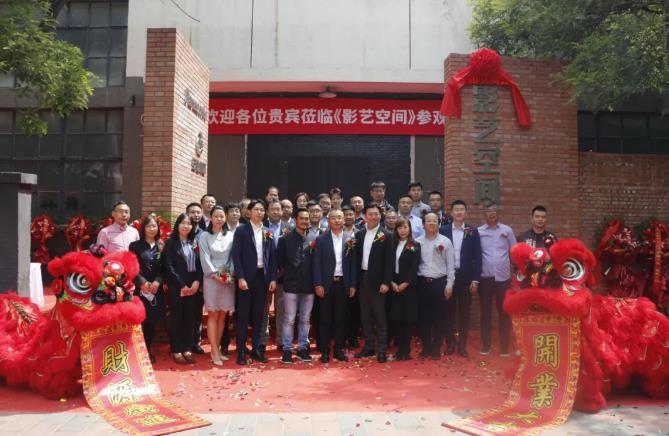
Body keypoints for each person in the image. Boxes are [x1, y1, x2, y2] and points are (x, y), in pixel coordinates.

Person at [231, 199, 277, 365]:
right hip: (246, 278)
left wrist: (273, 278)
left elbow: (273, 258)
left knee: (259, 316)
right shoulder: (241, 231)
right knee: (243, 316)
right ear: (249, 212)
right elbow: (236, 256)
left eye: (262, 210)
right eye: (256, 209)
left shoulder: (268, 232)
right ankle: (241, 351)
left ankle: (257, 349)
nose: (260, 212)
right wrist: (240, 277)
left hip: (262, 278)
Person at [313, 209, 357, 363]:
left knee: (341, 318)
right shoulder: (321, 239)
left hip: (343, 283)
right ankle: (325, 350)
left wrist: (352, 284)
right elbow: (316, 263)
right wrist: (318, 283)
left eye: (340, 218)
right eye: (334, 218)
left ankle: (339, 349)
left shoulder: (350, 239)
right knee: (325, 318)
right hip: (326, 284)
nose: (337, 220)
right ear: (328, 220)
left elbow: (353, 264)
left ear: (344, 220)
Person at [439, 200, 481, 357]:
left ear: (466, 213)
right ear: (451, 213)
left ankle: (462, 345)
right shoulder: (443, 230)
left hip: (465, 279)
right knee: (448, 313)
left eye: (462, 209)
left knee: (464, 313)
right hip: (448, 278)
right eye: (456, 209)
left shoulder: (471, 231)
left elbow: (478, 256)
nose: (459, 212)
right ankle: (450, 343)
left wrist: (476, 279)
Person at [354, 203, 394, 363]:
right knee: (365, 316)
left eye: (376, 214)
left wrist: (386, 282)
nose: (373, 217)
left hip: (379, 281)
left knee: (380, 316)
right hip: (362, 278)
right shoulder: (359, 234)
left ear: (380, 215)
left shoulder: (387, 235)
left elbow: (390, 262)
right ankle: (369, 346)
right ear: (365, 216)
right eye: (370, 214)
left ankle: (382, 349)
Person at [163, 213, 203, 365]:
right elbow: (169, 266)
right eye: (183, 223)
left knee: (190, 317)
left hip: (193, 285)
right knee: (177, 317)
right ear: (178, 225)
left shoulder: (195, 242)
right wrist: (182, 285)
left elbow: (201, 264)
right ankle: (176, 348)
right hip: (177, 285)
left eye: (189, 223)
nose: (186, 226)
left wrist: (197, 282)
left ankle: (187, 348)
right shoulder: (171, 243)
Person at [478, 201, 516, 357]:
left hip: (503, 278)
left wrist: (516, 276)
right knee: (485, 312)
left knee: (504, 312)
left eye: (494, 210)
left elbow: (514, 252)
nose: (491, 213)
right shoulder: (479, 232)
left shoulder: (507, 231)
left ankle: (504, 346)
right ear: (484, 214)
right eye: (488, 211)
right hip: (485, 277)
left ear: (498, 212)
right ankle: (486, 345)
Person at [198, 206, 235, 366]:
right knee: (213, 314)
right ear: (211, 218)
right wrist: (216, 275)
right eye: (216, 216)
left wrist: (229, 274)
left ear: (225, 218)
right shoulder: (204, 236)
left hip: (227, 279)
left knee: (222, 314)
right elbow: (204, 257)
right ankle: (213, 351)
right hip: (211, 279)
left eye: (221, 216)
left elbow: (233, 257)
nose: (219, 219)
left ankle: (218, 349)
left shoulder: (231, 235)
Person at [416, 212, 455, 360]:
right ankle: (426, 346)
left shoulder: (445, 241)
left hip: (439, 283)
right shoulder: (417, 242)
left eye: (435, 221)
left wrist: (449, 285)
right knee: (423, 318)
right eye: (429, 221)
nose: (432, 223)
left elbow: (450, 266)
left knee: (440, 317)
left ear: (438, 224)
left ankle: (436, 346)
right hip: (422, 283)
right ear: (423, 224)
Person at [277, 208, 313, 364]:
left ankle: (303, 348)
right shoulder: (285, 239)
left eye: (307, 218)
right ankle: (287, 349)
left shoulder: (313, 238)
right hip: (291, 285)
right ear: (295, 220)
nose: (305, 221)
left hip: (309, 285)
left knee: (305, 319)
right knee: (289, 319)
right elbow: (279, 263)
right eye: (302, 218)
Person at [129, 214, 165, 364]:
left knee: (151, 322)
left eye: (154, 226)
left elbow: (164, 267)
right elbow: (132, 267)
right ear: (143, 228)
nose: (152, 229)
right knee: (140, 321)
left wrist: (157, 282)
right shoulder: (135, 246)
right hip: (141, 289)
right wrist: (142, 283)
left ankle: (147, 350)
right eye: (148, 226)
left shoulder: (161, 245)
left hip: (156, 290)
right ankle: (136, 351)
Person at [387, 217, 421, 361]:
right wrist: (391, 282)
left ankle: (405, 351)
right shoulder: (392, 244)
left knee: (407, 320)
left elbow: (414, 267)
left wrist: (405, 283)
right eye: (400, 227)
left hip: (409, 287)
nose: (403, 230)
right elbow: (387, 264)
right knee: (396, 319)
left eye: (405, 227)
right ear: (396, 229)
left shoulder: (415, 245)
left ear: (410, 228)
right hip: (394, 285)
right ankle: (399, 350)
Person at [261, 199, 291, 352]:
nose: (275, 212)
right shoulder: (261, 227)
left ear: (282, 211)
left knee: (282, 308)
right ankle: (262, 340)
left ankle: (281, 340)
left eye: (278, 209)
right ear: (267, 211)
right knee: (264, 308)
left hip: (283, 275)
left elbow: (292, 251)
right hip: (264, 274)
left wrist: (283, 268)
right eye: (272, 209)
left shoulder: (289, 228)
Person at [220, 201, 242, 356]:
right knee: (224, 312)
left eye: (237, 211)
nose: (235, 213)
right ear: (226, 214)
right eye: (232, 211)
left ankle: (241, 344)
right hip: (225, 276)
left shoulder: (245, 229)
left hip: (242, 276)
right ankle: (224, 343)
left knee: (241, 311)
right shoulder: (221, 230)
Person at [186, 202, 205, 354]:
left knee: (197, 311)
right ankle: (184, 342)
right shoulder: (182, 232)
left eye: (198, 212)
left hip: (200, 278)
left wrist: (201, 280)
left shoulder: (204, 234)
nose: (196, 215)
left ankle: (195, 342)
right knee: (184, 311)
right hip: (183, 278)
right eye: (192, 212)